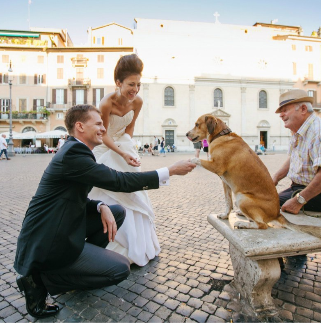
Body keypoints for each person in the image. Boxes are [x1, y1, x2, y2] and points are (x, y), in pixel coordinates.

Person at [14, 104, 196, 319]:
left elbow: (72, 197)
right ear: (80, 126)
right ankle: (40, 279)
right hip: (49, 241)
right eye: (98, 124)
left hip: (59, 227)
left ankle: (76, 263)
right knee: (119, 269)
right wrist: (170, 170)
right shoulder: (74, 153)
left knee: (116, 211)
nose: (103, 128)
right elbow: (119, 180)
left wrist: (101, 206)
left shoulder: (75, 150)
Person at [88, 54, 159, 266]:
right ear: (118, 83)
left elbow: (130, 126)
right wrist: (121, 153)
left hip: (123, 145)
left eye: (138, 84)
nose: (135, 89)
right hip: (105, 148)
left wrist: (127, 145)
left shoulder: (138, 101)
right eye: (130, 84)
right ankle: (111, 243)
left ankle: (138, 244)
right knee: (113, 190)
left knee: (134, 191)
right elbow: (102, 134)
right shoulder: (106, 103)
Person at [272, 89, 321, 214]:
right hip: (305, 188)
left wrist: (298, 201)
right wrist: (275, 179)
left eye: (285, 110)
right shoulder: (300, 131)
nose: (281, 115)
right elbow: (294, 157)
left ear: (303, 109)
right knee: (265, 200)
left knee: (265, 204)